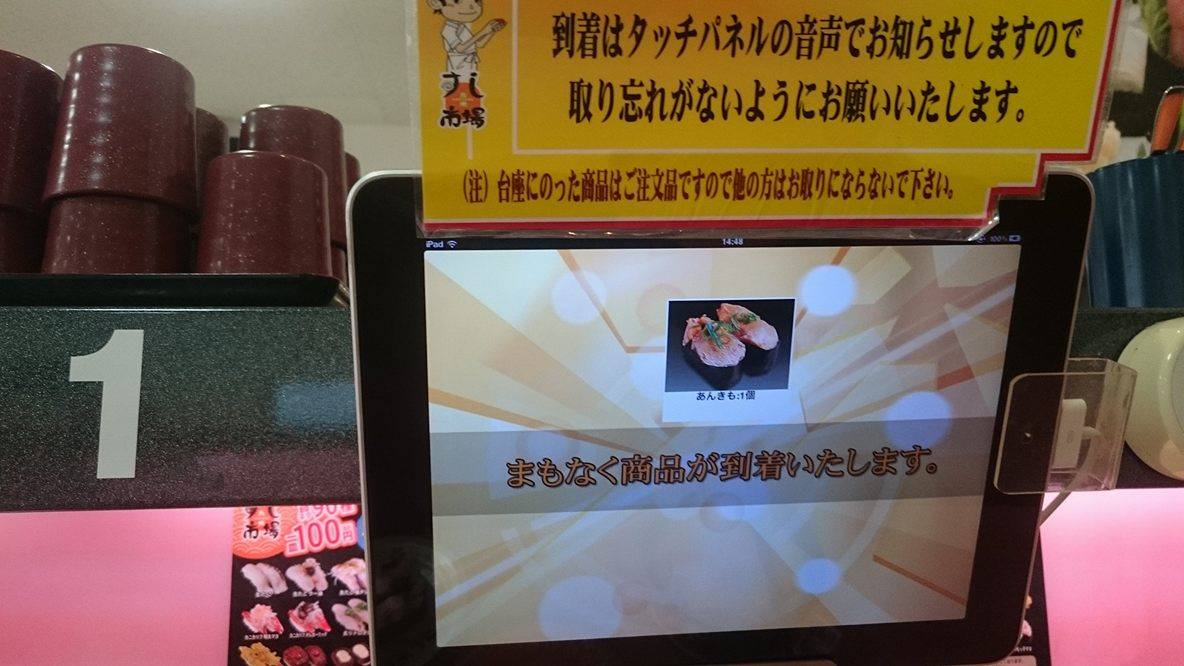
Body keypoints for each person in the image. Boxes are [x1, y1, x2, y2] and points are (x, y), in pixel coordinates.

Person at [427, 0, 506, 81]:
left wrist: (491, 31)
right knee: (460, 85)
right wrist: (483, 31)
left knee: (471, 85)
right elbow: (460, 49)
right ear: (436, 3)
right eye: (458, 1)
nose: (472, 6)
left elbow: (479, 44)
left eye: (477, 1)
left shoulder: (461, 25)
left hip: (470, 61)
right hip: (458, 63)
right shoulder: (448, 29)